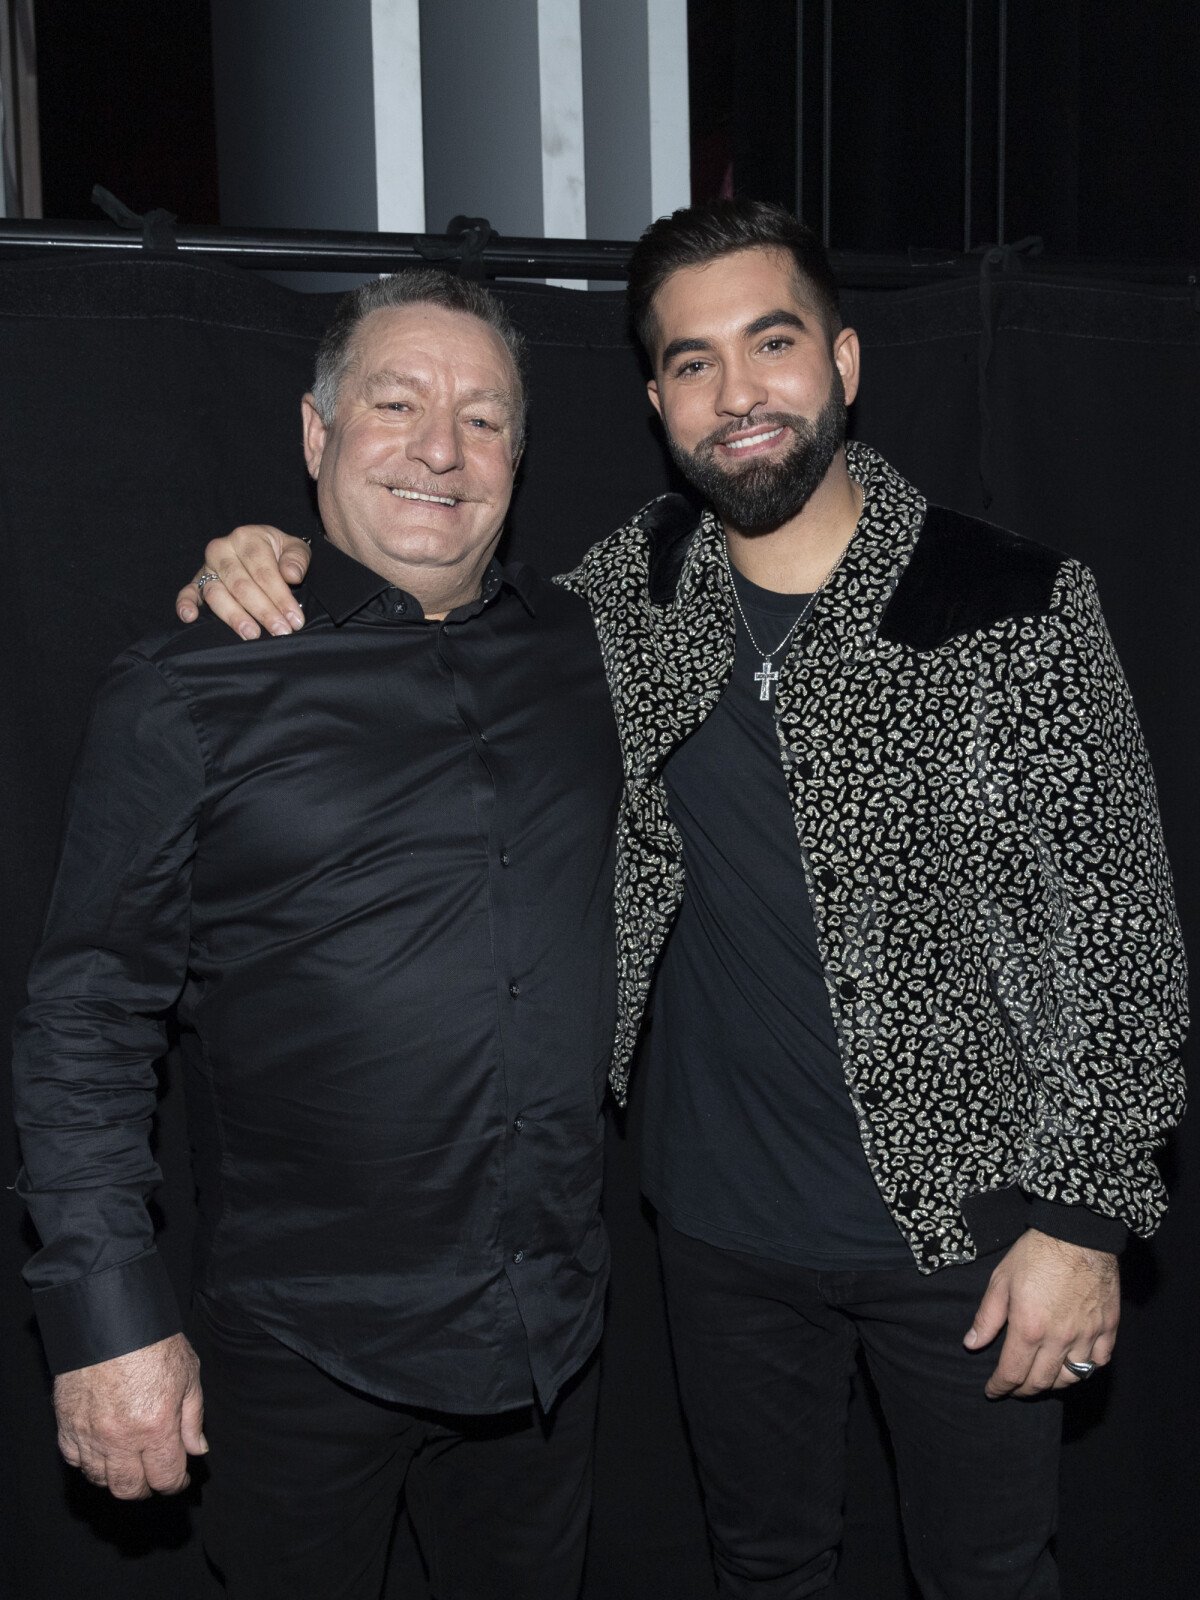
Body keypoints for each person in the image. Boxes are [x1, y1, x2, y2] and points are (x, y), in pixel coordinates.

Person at [175, 201, 1187, 1600]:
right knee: (763, 1567)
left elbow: (1123, 944)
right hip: (714, 1236)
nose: (739, 390)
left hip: (970, 1229)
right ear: (658, 402)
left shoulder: (1010, 603)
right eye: (693, 361)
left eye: (769, 344)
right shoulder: (623, 603)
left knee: (991, 1576)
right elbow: (424, 603)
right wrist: (261, 551)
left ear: (841, 362)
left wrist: (1083, 1226)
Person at [12, 269, 623, 1600]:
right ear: (314, 436)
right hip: (297, 1359)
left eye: (481, 419)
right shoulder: (192, 682)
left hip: (548, 1352)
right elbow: (85, 1016)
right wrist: (105, 1325)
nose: (438, 449)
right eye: (396, 403)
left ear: (520, 456)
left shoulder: (596, 649)